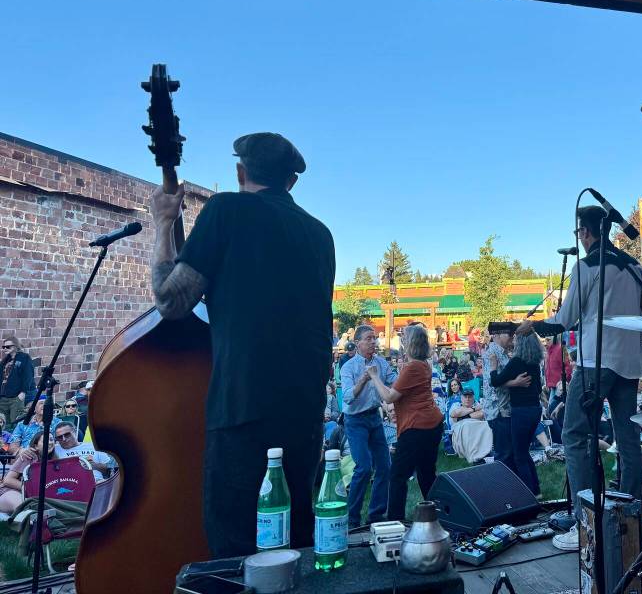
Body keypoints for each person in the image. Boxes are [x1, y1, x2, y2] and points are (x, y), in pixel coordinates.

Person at [148, 132, 332, 557]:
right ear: (292, 181)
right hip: (305, 417)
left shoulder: (225, 209)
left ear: (239, 172)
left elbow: (170, 301)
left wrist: (162, 224)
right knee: (298, 545)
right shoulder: (321, 235)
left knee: (237, 554)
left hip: (243, 411)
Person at [516, 205, 642, 551]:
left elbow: (565, 320)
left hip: (598, 361)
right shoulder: (633, 266)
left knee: (575, 433)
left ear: (585, 232)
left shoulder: (586, 267)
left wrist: (531, 326)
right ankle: (629, 509)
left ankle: (586, 521)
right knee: (627, 436)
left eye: (578, 234)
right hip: (630, 363)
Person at [362, 324, 443, 522]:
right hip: (432, 424)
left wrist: (373, 376)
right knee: (426, 473)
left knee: (398, 475)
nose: (402, 341)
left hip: (417, 427)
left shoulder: (413, 367)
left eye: (404, 338)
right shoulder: (424, 364)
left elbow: (389, 397)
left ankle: (395, 521)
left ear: (410, 343)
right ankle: (439, 514)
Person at [339, 325, 397, 529]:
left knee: (385, 466)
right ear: (357, 343)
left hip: (374, 418)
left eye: (375, 338)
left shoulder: (381, 363)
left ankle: (375, 515)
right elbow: (346, 397)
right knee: (363, 467)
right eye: (369, 338)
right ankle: (352, 519)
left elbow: (395, 383)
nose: (374, 342)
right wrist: (364, 378)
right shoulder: (348, 367)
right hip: (355, 421)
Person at [489, 332, 543, 496]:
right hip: (535, 410)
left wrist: (493, 368)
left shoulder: (516, 362)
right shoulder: (534, 364)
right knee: (524, 451)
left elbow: (495, 382)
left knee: (519, 454)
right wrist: (516, 384)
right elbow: (539, 389)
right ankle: (536, 490)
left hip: (521, 412)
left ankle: (528, 493)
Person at [480, 330, 529, 474]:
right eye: (508, 334)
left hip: (505, 409)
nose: (512, 336)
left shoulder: (502, 352)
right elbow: (492, 381)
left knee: (510, 452)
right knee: (504, 454)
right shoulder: (492, 353)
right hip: (498, 410)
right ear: (497, 335)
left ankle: (512, 487)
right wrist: (516, 383)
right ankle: (503, 489)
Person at [0, 430, 52, 513]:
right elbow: (8, 481)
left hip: (36, 495)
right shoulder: (29, 456)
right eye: (45, 440)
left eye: (51, 439)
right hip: (11, 491)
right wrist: (33, 488)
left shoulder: (55, 459)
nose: (49, 442)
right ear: (36, 446)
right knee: (26, 508)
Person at [0, 339, 33, 430]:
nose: (5, 349)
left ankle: (16, 442)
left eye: (8, 346)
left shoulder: (24, 358)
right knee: (3, 423)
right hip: (3, 396)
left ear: (15, 346)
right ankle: (4, 443)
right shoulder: (5, 360)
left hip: (16, 396)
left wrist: (23, 392)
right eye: (4, 347)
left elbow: (28, 375)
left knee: (16, 422)